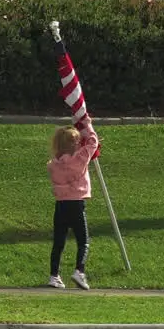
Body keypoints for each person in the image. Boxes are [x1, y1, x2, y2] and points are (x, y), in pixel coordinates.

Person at [46, 116, 99, 290]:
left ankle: (54, 275)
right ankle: (79, 271)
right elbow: (93, 142)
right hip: (76, 204)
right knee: (83, 241)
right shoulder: (80, 159)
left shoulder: (53, 165)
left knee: (59, 242)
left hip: (61, 204)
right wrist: (87, 124)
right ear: (73, 143)